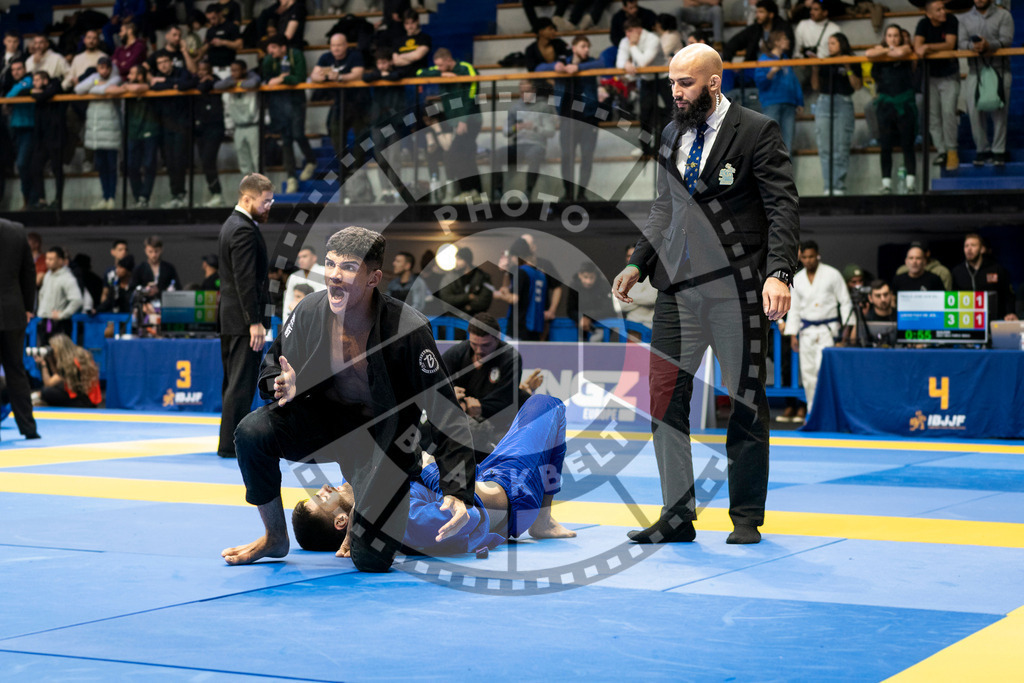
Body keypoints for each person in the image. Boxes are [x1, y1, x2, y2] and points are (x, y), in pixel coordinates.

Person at [611, 44, 799, 545]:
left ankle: (745, 517)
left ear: (713, 82)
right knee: (663, 398)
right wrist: (637, 262)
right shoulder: (672, 133)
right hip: (677, 288)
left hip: (737, 291)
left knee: (744, 401)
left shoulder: (757, 130)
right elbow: (663, 208)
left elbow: (782, 206)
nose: (675, 92)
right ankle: (677, 516)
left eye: (686, 83)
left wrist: (779, 272)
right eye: (671, 82)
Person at [221, 227, 477, 572]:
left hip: (381, 442)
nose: (334, 276)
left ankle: (387, 508)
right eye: (330, 265)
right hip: (321, 424)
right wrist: (280, 385)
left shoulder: (408, 330)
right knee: (251, 432)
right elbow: (273, 365)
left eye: (348, 268)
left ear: (374, 278)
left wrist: (459, 490)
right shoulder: (309, 311)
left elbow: (446, 413)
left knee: (370, 560)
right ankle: (275, 537)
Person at [291, 393, 574, 557]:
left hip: (483, 474)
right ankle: (541, 519)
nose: (326, 486)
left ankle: (544, 519)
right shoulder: (405, 519)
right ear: (342, 521)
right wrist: (425, 468)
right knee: (548, 406)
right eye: (321, 497)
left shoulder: (371, 500)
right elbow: (470, 516)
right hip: (513, 498)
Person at [217, 173, 273, 459]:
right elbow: (245, 280)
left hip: (232, 318)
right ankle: (232, 445)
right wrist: (255, 321)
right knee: (240, 382)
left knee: (233, 382)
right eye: (265, 201)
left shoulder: (234, 224)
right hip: (242, 321)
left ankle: (228, 443)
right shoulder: (242, 229)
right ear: (247, 198)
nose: (269, 206)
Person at [442, 313, 528, 461]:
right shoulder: (456, 353)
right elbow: (437, 385)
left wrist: (481, 408)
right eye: (474, 344)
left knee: (502, 454)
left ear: (497, 337)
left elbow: (506, 399)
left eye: (486, 345)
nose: (479, 350)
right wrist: (452, 397)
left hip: (497, 420)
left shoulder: (510, 357)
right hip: (463, 418)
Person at [534, 34, 605, 202]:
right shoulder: (563, 63)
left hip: (588, 118)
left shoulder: (591, 63)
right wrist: (556, 66)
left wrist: (579, 68)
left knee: (587, 156)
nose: (586, 50)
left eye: (587, 47)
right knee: (567, 156)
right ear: (573, 48)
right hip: (568, 117)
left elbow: (603, 63)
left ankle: (581, 194)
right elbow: (538, 69)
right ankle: (569, 193)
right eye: (582, 46)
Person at [783, 241, 851, 412]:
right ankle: (813, 412)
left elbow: (845, 302)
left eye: (811, 256)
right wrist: (793, 334)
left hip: (828, 330)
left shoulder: (832, 274)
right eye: (804, 257)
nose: (808, 260)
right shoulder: (797, 279)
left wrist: (848, 329)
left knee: (825, 372)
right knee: (808, 374)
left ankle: (829, 411)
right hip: (806, 332)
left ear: (818, 255)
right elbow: (795, 309)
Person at [417, 48, 482, 202]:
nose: (438, 68)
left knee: (455, 154)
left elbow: (472, 93)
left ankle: (469, 190)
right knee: (466, 156)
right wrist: (442, 74)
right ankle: (475, 192)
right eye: (437, 66)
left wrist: (463, 120)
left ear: (448, 60)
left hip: (469, 119)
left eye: (441, 66)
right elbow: (419, 72)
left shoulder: (465, 68)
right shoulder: (440, 70)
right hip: (453, 120)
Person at [958, 0, 1014, 168]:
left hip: (999, 69)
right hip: (975, 70)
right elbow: (961, 43)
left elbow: (1007, 40)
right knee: (974, 113)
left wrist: (989, 45)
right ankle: (982, 149)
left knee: (999, 112)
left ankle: (999, 150)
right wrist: (973, 46)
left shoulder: (1003, 15)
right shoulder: (965, 19)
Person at [0, 218, 39, 441]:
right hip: (14, 311)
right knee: (16, 370)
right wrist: (27, 307)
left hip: (14, 310)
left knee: (15, 370)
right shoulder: (17, 230)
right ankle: (28, 427)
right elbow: (29, 271)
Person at [865, 25, 917, 194]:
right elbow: (868, 54)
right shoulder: (879, 51)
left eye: (896, 36)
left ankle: (910, 184)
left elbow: (901, 53)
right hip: (886, 105)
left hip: (905, 103)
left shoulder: (907, 49)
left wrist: (887, 51)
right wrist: (887, 51)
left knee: (907, 144)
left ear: (900, 37)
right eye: (889, 36)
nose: (893, 39)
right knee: (885, 144)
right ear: (885, 37)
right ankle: (886, 183)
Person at [261, 36, 316, 194]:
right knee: (286, 139)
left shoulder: (296, 55)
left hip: (295, 101)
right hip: (278, 103)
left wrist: (280, 80)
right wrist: (280, 79)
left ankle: (311, 160)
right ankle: (291, 177)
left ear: (283, 47)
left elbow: (298, 78)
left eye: (273, 47)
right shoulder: (269, 59)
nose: (270, 51)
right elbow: (266, 78)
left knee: (298, 133)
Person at [310, 32, 367, 174]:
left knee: (361, 136)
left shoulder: (354, 55)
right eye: (333, 45)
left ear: (346, 45)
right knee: (335, 134)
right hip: (339, 102)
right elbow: (314, 75)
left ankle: (356, 168)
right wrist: (323, 78)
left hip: (358, 101)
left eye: (339, 45)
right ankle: (346, 165)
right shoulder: (326, 57)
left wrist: (340, 77)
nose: (336, 49)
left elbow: (358, 73)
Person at [812, 32, 860, 196]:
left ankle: (838, 186)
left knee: (841, 145)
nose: (829, 46)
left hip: (843, 102)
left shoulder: (852, 60)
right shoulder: (825, 61)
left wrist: (848, 68)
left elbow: (857, 86)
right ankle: (828, 186)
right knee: (824, 147)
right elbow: (816, 86)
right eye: (829, 43)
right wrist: (815, 69)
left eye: (833, 43)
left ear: (841, 44)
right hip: (824, 101)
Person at [914, 0, 960, 172]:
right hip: (930, 76)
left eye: (943, 8)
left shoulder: (951, 20)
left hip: (949, 74)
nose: (943, 12)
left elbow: (950, 44)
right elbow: (917, 47)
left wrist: (928, 47)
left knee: (948, 112)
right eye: (938, 9)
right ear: (929, 14)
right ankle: (941, 151)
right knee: (933, 116)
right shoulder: (923, 23)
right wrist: (924, 48)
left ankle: (952, 150)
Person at [105, 63, 158, 208]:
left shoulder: (147, 85)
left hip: (149, 129)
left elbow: (139, 88)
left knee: (149, 165)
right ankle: (138, 196)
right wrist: (125, 87)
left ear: (140, 76)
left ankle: (144, 197)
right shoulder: (126, 85)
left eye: (132, 74)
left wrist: (125, 88)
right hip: (132, 132)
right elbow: (108, 89)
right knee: (131, 166)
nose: (128, 76)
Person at [149, 52, 198, 208]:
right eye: (159, 63)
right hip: (166, 125)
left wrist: (165, 81)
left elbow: (187, 83)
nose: (163, 65)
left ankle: (182, 195)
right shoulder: (157, 75)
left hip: (182, 124)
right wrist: (172, 83)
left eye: (165, 61)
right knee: (169, 162)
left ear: (171, 62)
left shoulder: (181, 71)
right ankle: (174, 195)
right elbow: (154, 86)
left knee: (179, 160)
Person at [493, 79, 555, 201]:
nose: (524, 95)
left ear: (534, 91)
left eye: (527, 91)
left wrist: (535, 127)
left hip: (536, 144)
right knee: (497, 154)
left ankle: (528, 191)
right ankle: (497, 190)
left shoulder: (543, 107)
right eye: (522, 92)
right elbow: (505, 132)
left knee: (534, 154)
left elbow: (551, 132)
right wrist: (515, 128)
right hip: (519, 145)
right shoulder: (515, 108)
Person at [75, 56, 122, 210]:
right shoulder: (94, 78)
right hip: (96, 130)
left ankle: (112, 197)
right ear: (97, 68)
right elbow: (78, 89)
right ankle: (104, 196)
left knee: (111, 166)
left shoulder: (116, 78)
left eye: (106, 67)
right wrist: (97, 84)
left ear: (110, 67)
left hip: (111, 128)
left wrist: (94, 88)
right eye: (101, 67)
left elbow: (109, 89)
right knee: (101, 165)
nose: (104, 70)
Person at [616, 17, 669, 155]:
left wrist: (632, 47)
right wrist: (626, 64)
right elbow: (619, 63)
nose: (628, 35)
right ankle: (645, 149)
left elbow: (643, 62)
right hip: (646, 80)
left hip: (663, 79)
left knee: (668, 114)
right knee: (645, 115)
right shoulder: (625, 41)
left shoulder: (653, 39)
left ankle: (662, 148)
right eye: (626, 32)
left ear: (639, 30)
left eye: (631, 31)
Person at [754, 29, 803, 152]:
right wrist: (772, 72)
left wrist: (799, 101)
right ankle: (771, 170)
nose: (788, 41)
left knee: (788, 142)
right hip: (772, 103)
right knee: (771, 140)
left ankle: (786, 170)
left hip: (789, 103)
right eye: (784, 39)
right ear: (776, 42)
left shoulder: (785, 59)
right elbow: (760, 82)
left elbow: (794, 81)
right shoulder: (764, 59)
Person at [951, 233, 1018, 320]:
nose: (969, 249)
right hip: (967, 319)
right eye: (966, 246)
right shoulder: (957, 271)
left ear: (982, 249)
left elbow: (1008, 295)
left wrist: (1010, 312)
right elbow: (953, 297)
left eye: (973, 245)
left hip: (994, 318)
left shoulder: (996, 269)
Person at [495, 237, 548, 342]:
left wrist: (498, 295)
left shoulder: (521, 272)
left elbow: (514, 298)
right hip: (536, 326)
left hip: (519, 326)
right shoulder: (540, 274)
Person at [215, 60, 261, 177]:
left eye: (236, 70)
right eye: (232, 70)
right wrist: (233, 82)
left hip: (252, 125)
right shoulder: (230, 80)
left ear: (244, 70)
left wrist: (238, 84)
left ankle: (262, 189)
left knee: (257, 159)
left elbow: (253, 83)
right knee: (243, 161)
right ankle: (249, 188)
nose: (233, 73)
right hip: (238, 126)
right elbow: (217, 85)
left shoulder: (252, 77)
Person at [32, 334, 102, 408]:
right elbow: (57, 374)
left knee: (46, 392)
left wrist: (43, 364)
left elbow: (49, 383)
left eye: (53, 349)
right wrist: (50, 360)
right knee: (56, 388)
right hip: (88, 399)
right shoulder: (78, 355)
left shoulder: (71, 363)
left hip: (84, 402)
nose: (53, 353)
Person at [194, 59, 226, 207]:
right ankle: (214, 192)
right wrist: (202, 81)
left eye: (204, 70)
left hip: (215, 127)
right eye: (199, 70)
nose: (201, 73)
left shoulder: (216, 81)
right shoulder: (196, 80)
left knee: (208, 159)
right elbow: (192, 86)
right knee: (205, 161)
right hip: (201, 128)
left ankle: (217, 192)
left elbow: (209, 86)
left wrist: (208, 81)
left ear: (210, 71)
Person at [37, 246, 84, 344]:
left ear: (60, 260)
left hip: (59, 324)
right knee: (44, 354)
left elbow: (77, 300)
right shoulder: (48, 275)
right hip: (45, 320)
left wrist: (63, 314)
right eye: (47, 258)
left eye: (51, 259)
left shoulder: (67, 278)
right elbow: (41, 295)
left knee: (59, 355)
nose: (47, 261)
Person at [435, 247, 494, 319]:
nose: (456, 262)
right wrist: (468, 297)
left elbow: (485, 299)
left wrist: (469, 307)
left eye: (459, 259)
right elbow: (446, 298)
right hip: (454, 320)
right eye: (456, 259)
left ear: (467, 261)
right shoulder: (450, 277)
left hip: (476, 319)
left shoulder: (482, 276)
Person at [567, 261, 617, 342]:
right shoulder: (574, 286)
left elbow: (609, 309)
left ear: (596, 276)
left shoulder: (604, 285)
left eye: (591, 277)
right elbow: (570, 310)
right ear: (580, 275)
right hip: (581, 328)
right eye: (585, 277)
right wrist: (580, 318)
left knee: (596, 341)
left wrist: (588, 317)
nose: (588, 281)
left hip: (602, 325)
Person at [613, 245, 657, 336]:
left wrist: (628, 298)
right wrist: (642, 299)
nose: (631, 259)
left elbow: (652, 299)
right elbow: (618, 305)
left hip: (651, 326)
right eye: (628, 256)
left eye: (633, 256)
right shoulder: (620, 278)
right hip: (632, 327)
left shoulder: (653, 275)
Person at [282, 245, 326, 315]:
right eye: (299, 257)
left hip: (319, 314)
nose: (301, 260)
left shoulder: (324, 272)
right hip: (299, 316)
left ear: (314, 258)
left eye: (305, 256)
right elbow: (288, 299)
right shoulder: (294, 276)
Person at [391, 9, 432, 79]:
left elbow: (417, 56)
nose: (410, 26)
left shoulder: (424, 38)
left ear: (417, 21)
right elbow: (395, 61)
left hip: (419, 75)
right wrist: (411, 57)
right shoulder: (398, 40)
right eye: (407, 23)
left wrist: (401, 56)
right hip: (400, 77)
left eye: (412, 22)